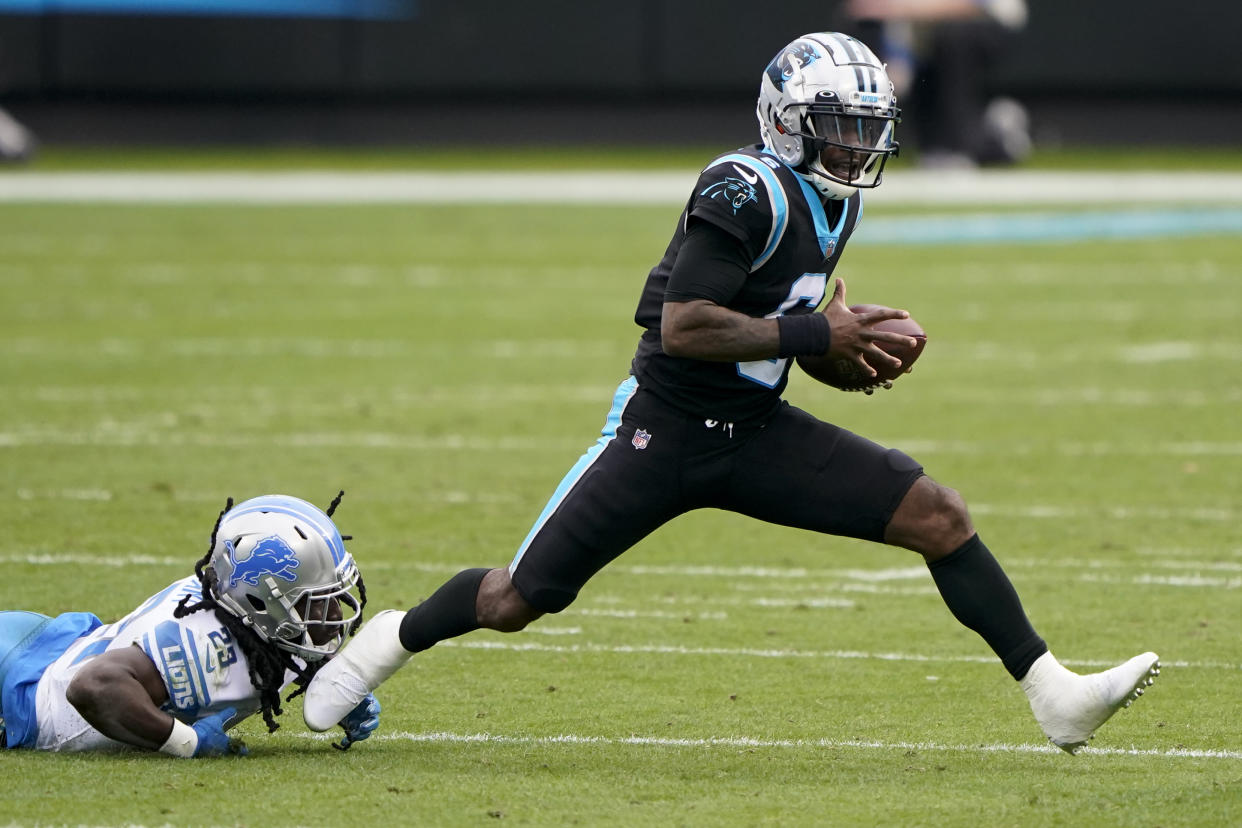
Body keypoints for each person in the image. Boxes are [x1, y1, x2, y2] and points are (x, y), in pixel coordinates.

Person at [303, 32, 1158, 754]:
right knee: (514, 599)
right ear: (787, 126)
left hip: (753, 432)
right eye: (840, 129)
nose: (858, 149)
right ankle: (387, 643)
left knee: (938, 514)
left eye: (868, 131)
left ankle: (1055, 694)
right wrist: (823, 335)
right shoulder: (743, 189)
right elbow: (687, 325)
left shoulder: (834, 199)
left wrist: (838, 354)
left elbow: (783, 326)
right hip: (662, 433)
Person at [0, 493, 381, 756]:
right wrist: (186, 742)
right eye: (318, 601)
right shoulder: (199, 646)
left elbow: (269, 645)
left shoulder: (249, 614)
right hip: (23, 691)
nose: (335, 614)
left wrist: (325, 680)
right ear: (261, 599)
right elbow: (93, 686)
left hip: (65, 641)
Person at [840, 0, 1031, 167]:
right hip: (920, 33)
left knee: (952, 34)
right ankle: (991, 135)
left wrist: (900, 9)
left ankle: (958, 145)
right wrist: (894, 57)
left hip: (986, 23)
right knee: (864, 19)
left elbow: (972, 6)